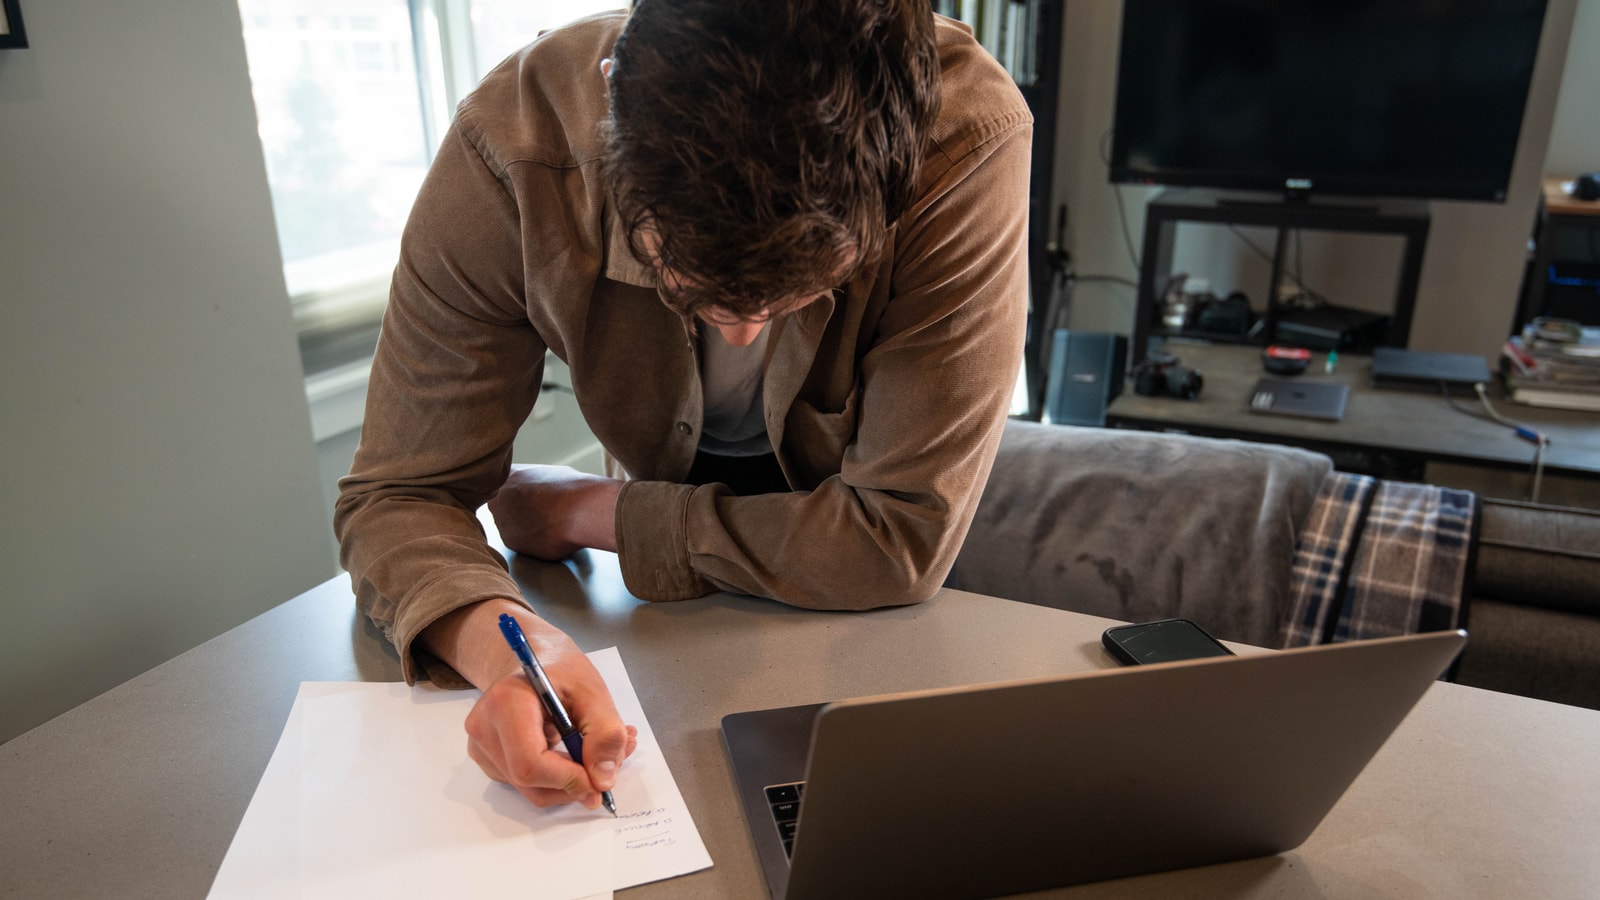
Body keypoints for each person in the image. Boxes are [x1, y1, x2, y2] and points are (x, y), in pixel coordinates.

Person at [335, 0, 1031, 813]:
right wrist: (510, 651)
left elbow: (899, 538)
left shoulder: (966, 139)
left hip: (877, 627)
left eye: (805, 288)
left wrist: (590, 512)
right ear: (612, 103)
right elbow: (397, 496)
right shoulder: (511, 150)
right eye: (690, 285)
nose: (740, 335)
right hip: (666, 631)